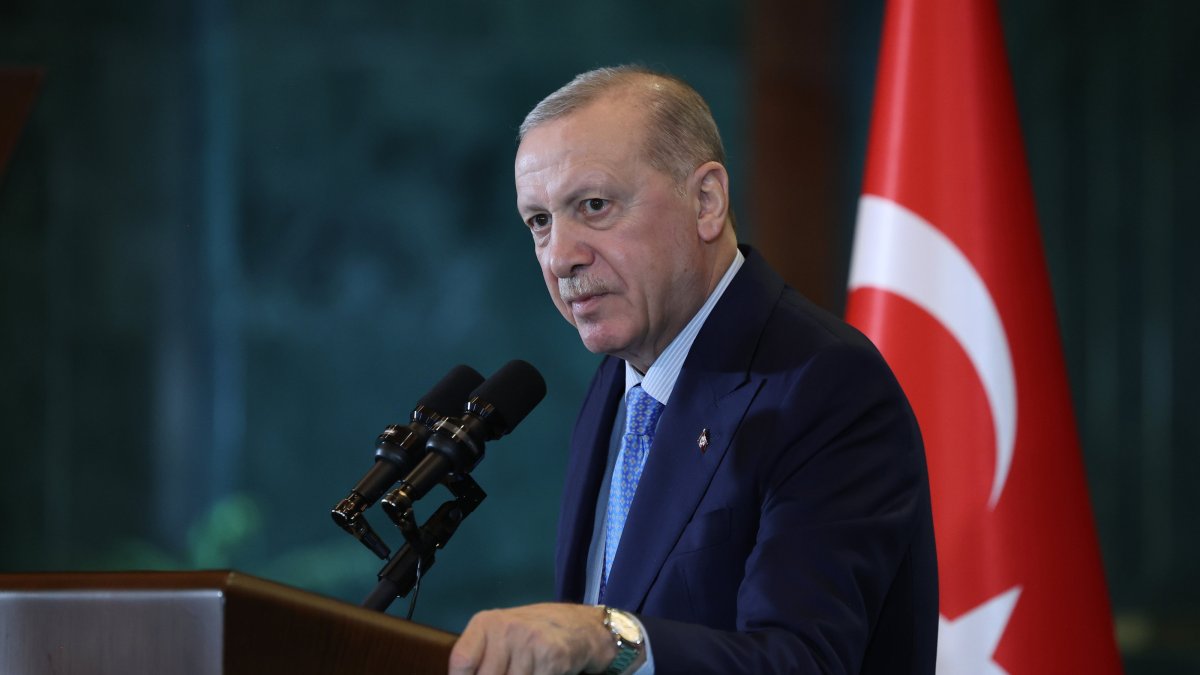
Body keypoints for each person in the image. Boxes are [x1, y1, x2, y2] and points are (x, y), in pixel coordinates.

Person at [449, 66, 938, 675]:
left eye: (594, 206)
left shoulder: (826, 385)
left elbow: (804, 660)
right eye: (539, 221)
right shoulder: (618, 382)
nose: (560, 257)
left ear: (706, 201)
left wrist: (609, 641)